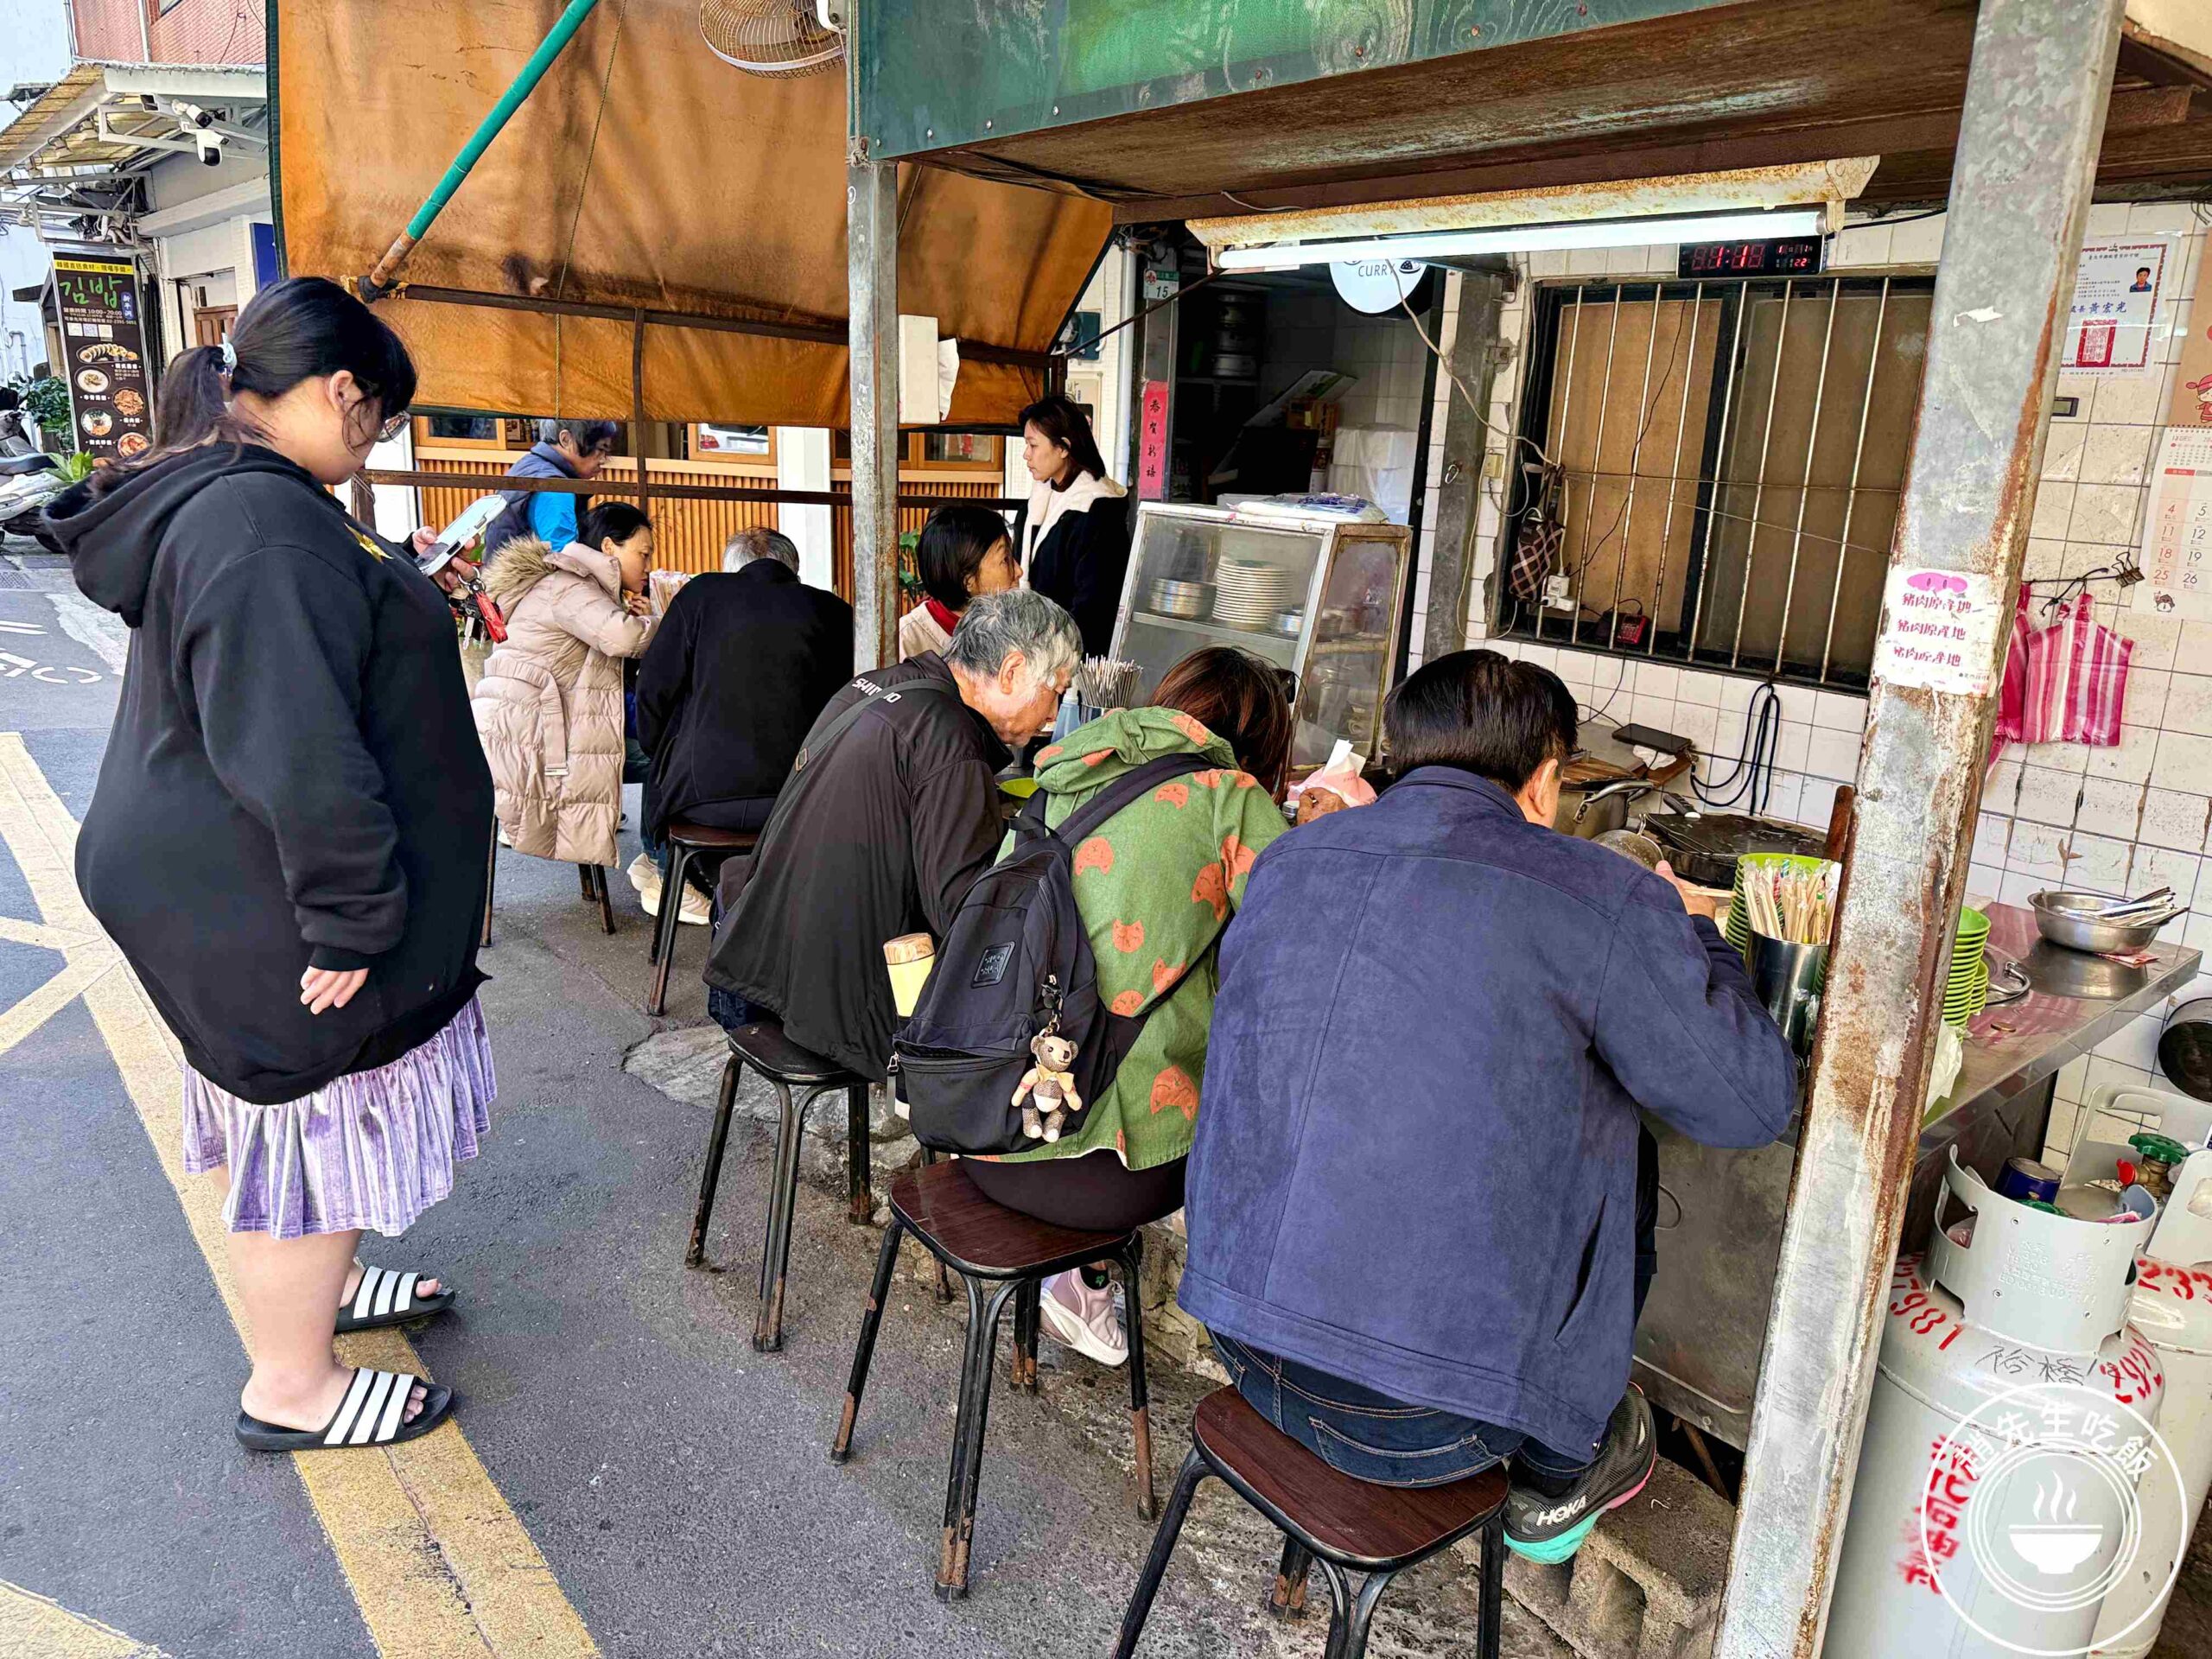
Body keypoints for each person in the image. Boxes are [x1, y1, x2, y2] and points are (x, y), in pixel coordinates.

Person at [1180, 649, 1796, 1562]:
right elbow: (1748, 1103)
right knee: (1613, 1134)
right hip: (1432, 1424)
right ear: (1546, 778)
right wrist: (1697, 931)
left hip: (1239, 1339)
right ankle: (1554, 1468)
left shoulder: (1290, 858)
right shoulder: (1603, 895)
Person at [47, 276, 495, 1452]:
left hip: (226, 870)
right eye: (381, 421)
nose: (376, 444)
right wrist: (350, 920)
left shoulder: (263, 504)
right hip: (256, 888)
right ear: (345, 393)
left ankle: (325, 1292)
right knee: (305, 1106)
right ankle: (291, 1384)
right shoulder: (262, 525)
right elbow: (295, 744)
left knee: (314, 1107)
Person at [964, 645, 1294, 1367]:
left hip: (980, 1130)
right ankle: (1087, 1281)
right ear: (1262, 743)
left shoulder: (1065, 769)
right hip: (1099, 1184)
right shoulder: (1231, 797)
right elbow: (1300, 949)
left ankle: (1073, 1279)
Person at [704, 589, 1081, 1078]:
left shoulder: (879, 684)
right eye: (1055, 692)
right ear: (1010, 672)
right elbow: (962, 911)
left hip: (754, 955)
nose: (1053, 715)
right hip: (828, 1009)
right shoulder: (950, 739)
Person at [632, 526, 852, 922]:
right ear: (793, 570)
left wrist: (663, 755)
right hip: (802, 803)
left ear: (731, 570)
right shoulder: (832, 610)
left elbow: (652, 690)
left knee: (665, 787)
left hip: (702, 802)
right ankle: (758, 905)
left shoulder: (700, 595)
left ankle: (705, 893)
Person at [472, 499, 656, 872]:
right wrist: (657, 621)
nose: (648, 566)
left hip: (526, 733)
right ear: (609, 548)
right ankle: (659, 868)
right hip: (535, 744)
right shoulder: (569, 585)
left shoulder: (567, 583)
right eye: (643, 554)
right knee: (666, 758)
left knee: (655, 750)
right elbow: (623, 638)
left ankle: (655, 865)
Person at [1019, 394, 1130, 657]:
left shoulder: (1098, 512)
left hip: (1072, 660)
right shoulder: (1036, 502)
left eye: (1033, 445)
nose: (1026, 455)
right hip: (1035, 653)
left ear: (1064, 447)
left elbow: (1094, 609)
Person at [480, 416, 619, 560]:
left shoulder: (531, 465)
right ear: (566, 440)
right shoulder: (554, 487)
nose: (603, 460)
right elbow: (564, 557)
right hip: (522, 580)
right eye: (600, 449)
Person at [899, 503, 1020, 661]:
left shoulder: (1015, 628)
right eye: (1005, 559)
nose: (1018, 571)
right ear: (967, 580)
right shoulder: (906, 643)